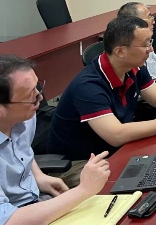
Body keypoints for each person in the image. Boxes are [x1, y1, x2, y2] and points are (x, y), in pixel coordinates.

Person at [48, 16, 156, 164]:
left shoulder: (133, 68)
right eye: (145, 44)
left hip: (116, 151)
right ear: (120, 51)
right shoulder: (88, 85)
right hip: (79, 163)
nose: (151, 50)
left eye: (150, 42)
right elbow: (116, 135)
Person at [0, 55, 111, 224]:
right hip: (19, 215)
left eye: (38, 87)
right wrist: (83, 190)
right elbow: (9, 220)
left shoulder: (24, 116)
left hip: (35, 199)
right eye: (30, 96)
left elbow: (22, 148)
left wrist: (38, 176)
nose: (40, 98)